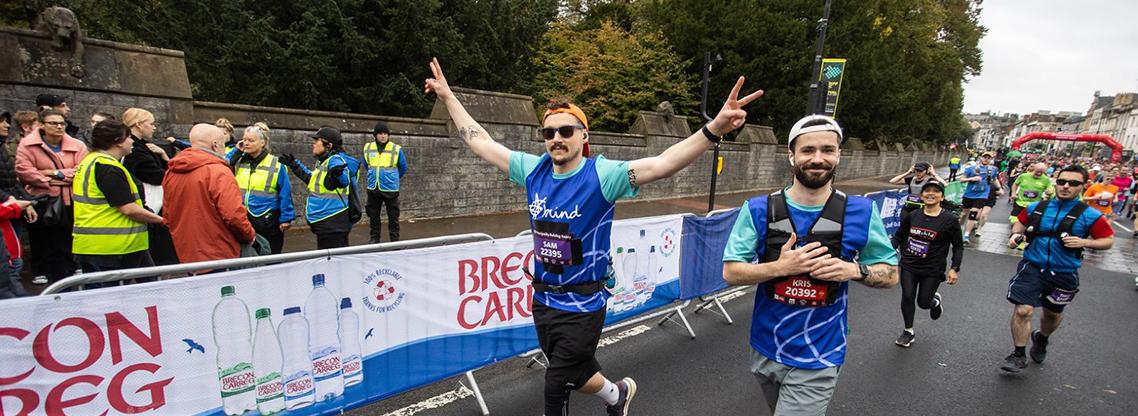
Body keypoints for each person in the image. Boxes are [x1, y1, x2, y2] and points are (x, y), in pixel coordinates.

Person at [426, 56, 762, 416]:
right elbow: (481, 141)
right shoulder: (533, 171)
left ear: (584, 135)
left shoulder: (603, 175)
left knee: (556, 381)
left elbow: (663, 163)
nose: (557, 138)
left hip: (585, 302)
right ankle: (618, 395)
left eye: (566, 131)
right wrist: (448, 97)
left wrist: (714, 128)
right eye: (549, 133)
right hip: (543, 298)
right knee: (577, 371)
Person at [722, 114, 899, 415]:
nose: (818, 158)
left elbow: (891, 274)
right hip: (765, 346)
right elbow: (731, 272)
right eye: (808, 150)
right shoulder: (758, 209)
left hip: (820, 353)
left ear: (839, 154)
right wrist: (780, 268)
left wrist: (854, 270)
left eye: (827, 150)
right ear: (791, 155)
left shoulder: (861, 211)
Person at [1002, 165, 1114, 373]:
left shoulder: (1090, 215)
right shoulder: (1037, 207)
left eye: (1073, 183)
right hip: (1032, 266)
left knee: (1052, 315)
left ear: (1083, 186)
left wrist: (1085, 242)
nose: (1066, 186)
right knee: (1023, 310)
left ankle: (1042, 338)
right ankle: (1018, 355)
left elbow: (1108, 240)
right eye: (1062, 182)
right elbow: (1020, 224)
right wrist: (1015, 235)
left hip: (1064, 272)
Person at [71, 120, 164, 284]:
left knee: (150, 284)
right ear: (118, 142)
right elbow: (128, 208)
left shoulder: (91, 161)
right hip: (113, 248)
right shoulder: (107, 167)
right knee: (119, 294)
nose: (132, 141)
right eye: (128, 137)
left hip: (108, 245)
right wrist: (162, 220)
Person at [163, 124, 256, 264]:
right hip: (220, 253)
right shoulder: (219, 171)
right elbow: (234, 215)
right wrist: (249, 235)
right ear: (215, 145)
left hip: (186, 253)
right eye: (223, 144)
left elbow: (167, 215)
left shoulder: (171, 172)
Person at [15, 109, 85, 285]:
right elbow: (24, 171)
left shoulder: (77, 145)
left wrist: (52, 173)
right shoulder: (27, 145)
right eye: (53, 123)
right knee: (42, 238)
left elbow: (82, 171)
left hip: (71, 198)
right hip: (43, 199)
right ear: (42, 125)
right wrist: (53, 179)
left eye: (62, 123)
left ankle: (70, 268)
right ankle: (42, 271)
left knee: (68, 236)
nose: (59, 127)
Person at [892, 181, 963, 347]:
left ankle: (934, 302)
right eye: (927, 191)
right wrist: (886, 255)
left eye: (935, 191)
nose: (930, 194)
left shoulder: (949, 220)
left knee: (923, 303)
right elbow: (899, 236)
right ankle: (908, 331)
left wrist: (954, 268)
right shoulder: (913, 215)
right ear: (921, 195)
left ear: (942, 197)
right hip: (909, 264)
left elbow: (958, 246)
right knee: (907, 296)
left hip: (933, 268)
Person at [280, 127, 359, 249]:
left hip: (332, 221)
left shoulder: (335, 160)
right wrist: (294, 165)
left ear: (329, 146)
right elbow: (312, 179)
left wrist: (337, 175)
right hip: (327, 222)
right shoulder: (323, 162)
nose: (314, 143)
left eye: (317, 140)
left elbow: (343, 181)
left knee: (334, 258)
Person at [121, 108, 179, 265]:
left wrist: (163, 155)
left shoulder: (143, 147)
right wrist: (166, 159)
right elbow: (160, 176)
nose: (154, 127)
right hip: (150, 205)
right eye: (151, 123)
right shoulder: (136, 150)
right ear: (139, 125)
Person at [227, 122, 294, 254]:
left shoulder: (276, 163)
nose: (246, 143)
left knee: (271, 256)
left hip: (268, 219)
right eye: (244, 140)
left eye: (251, 140)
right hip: (244, 218)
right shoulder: (238, 160)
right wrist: (236, 150)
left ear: (263, 143)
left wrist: (286, 218)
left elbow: (285, 193)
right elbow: (221, 163)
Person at [363, 121, 408, 243]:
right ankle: (374, 239)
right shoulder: (368, 148)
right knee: (373, 216)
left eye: (385, 134)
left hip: (390, 188)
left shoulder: (396, 149)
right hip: (373, 187)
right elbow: (366, 165)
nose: (383, 136)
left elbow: (403, 167)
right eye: (380, 133)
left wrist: (393, 178)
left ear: (388, 135)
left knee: (393, 217)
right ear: (375, 135)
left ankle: (394, 240)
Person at [959, 151, 999, 244]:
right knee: (964, 214)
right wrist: (971, 179)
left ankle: (966, 235)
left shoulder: (993, 170)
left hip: (982, 195)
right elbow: (962, 179)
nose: (986, 159)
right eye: (985, 157)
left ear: (991, 159)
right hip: (969, 194)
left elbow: (995, 179)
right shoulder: (971, 168)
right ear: (981, 157)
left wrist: (999, 188)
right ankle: (958, 228)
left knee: (973, 214)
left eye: (988, 158)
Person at [1009, 163, 1054, 228]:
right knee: (1014, 222)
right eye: (1037, 171)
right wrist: (1013, 193)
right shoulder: (1023, 176)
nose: (1039, 173)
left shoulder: (1046, 180)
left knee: (1028, 225)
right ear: (1034, 169)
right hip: (1020, 203)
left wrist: (1049, 192)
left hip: (1033, 206)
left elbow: (1051, 190)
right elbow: (1015, 184)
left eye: (1041, 172)